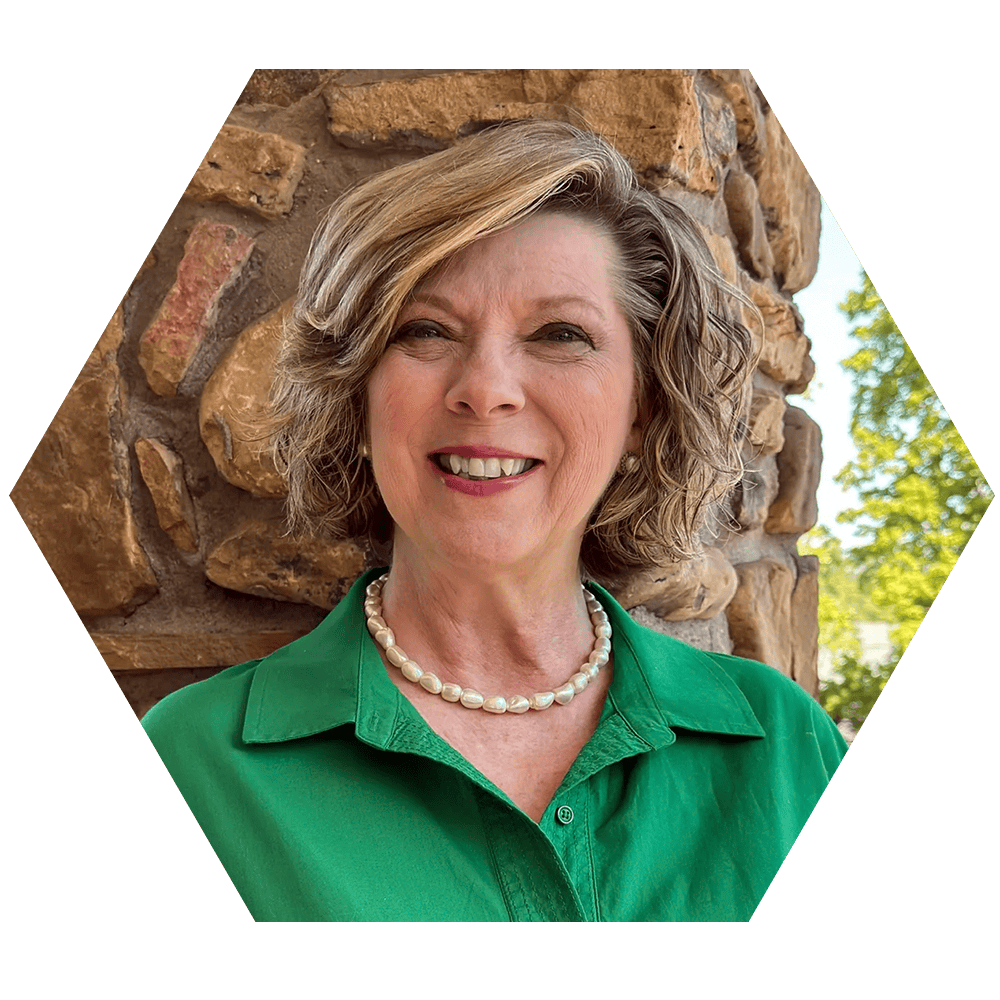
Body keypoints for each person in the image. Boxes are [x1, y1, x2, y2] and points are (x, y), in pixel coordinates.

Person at [141, 119, 847, 922]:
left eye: (560, 335)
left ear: (643, 410)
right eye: (427, 331)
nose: (486, 389)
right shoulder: (191, 766)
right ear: (359, 391)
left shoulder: (785, 751)